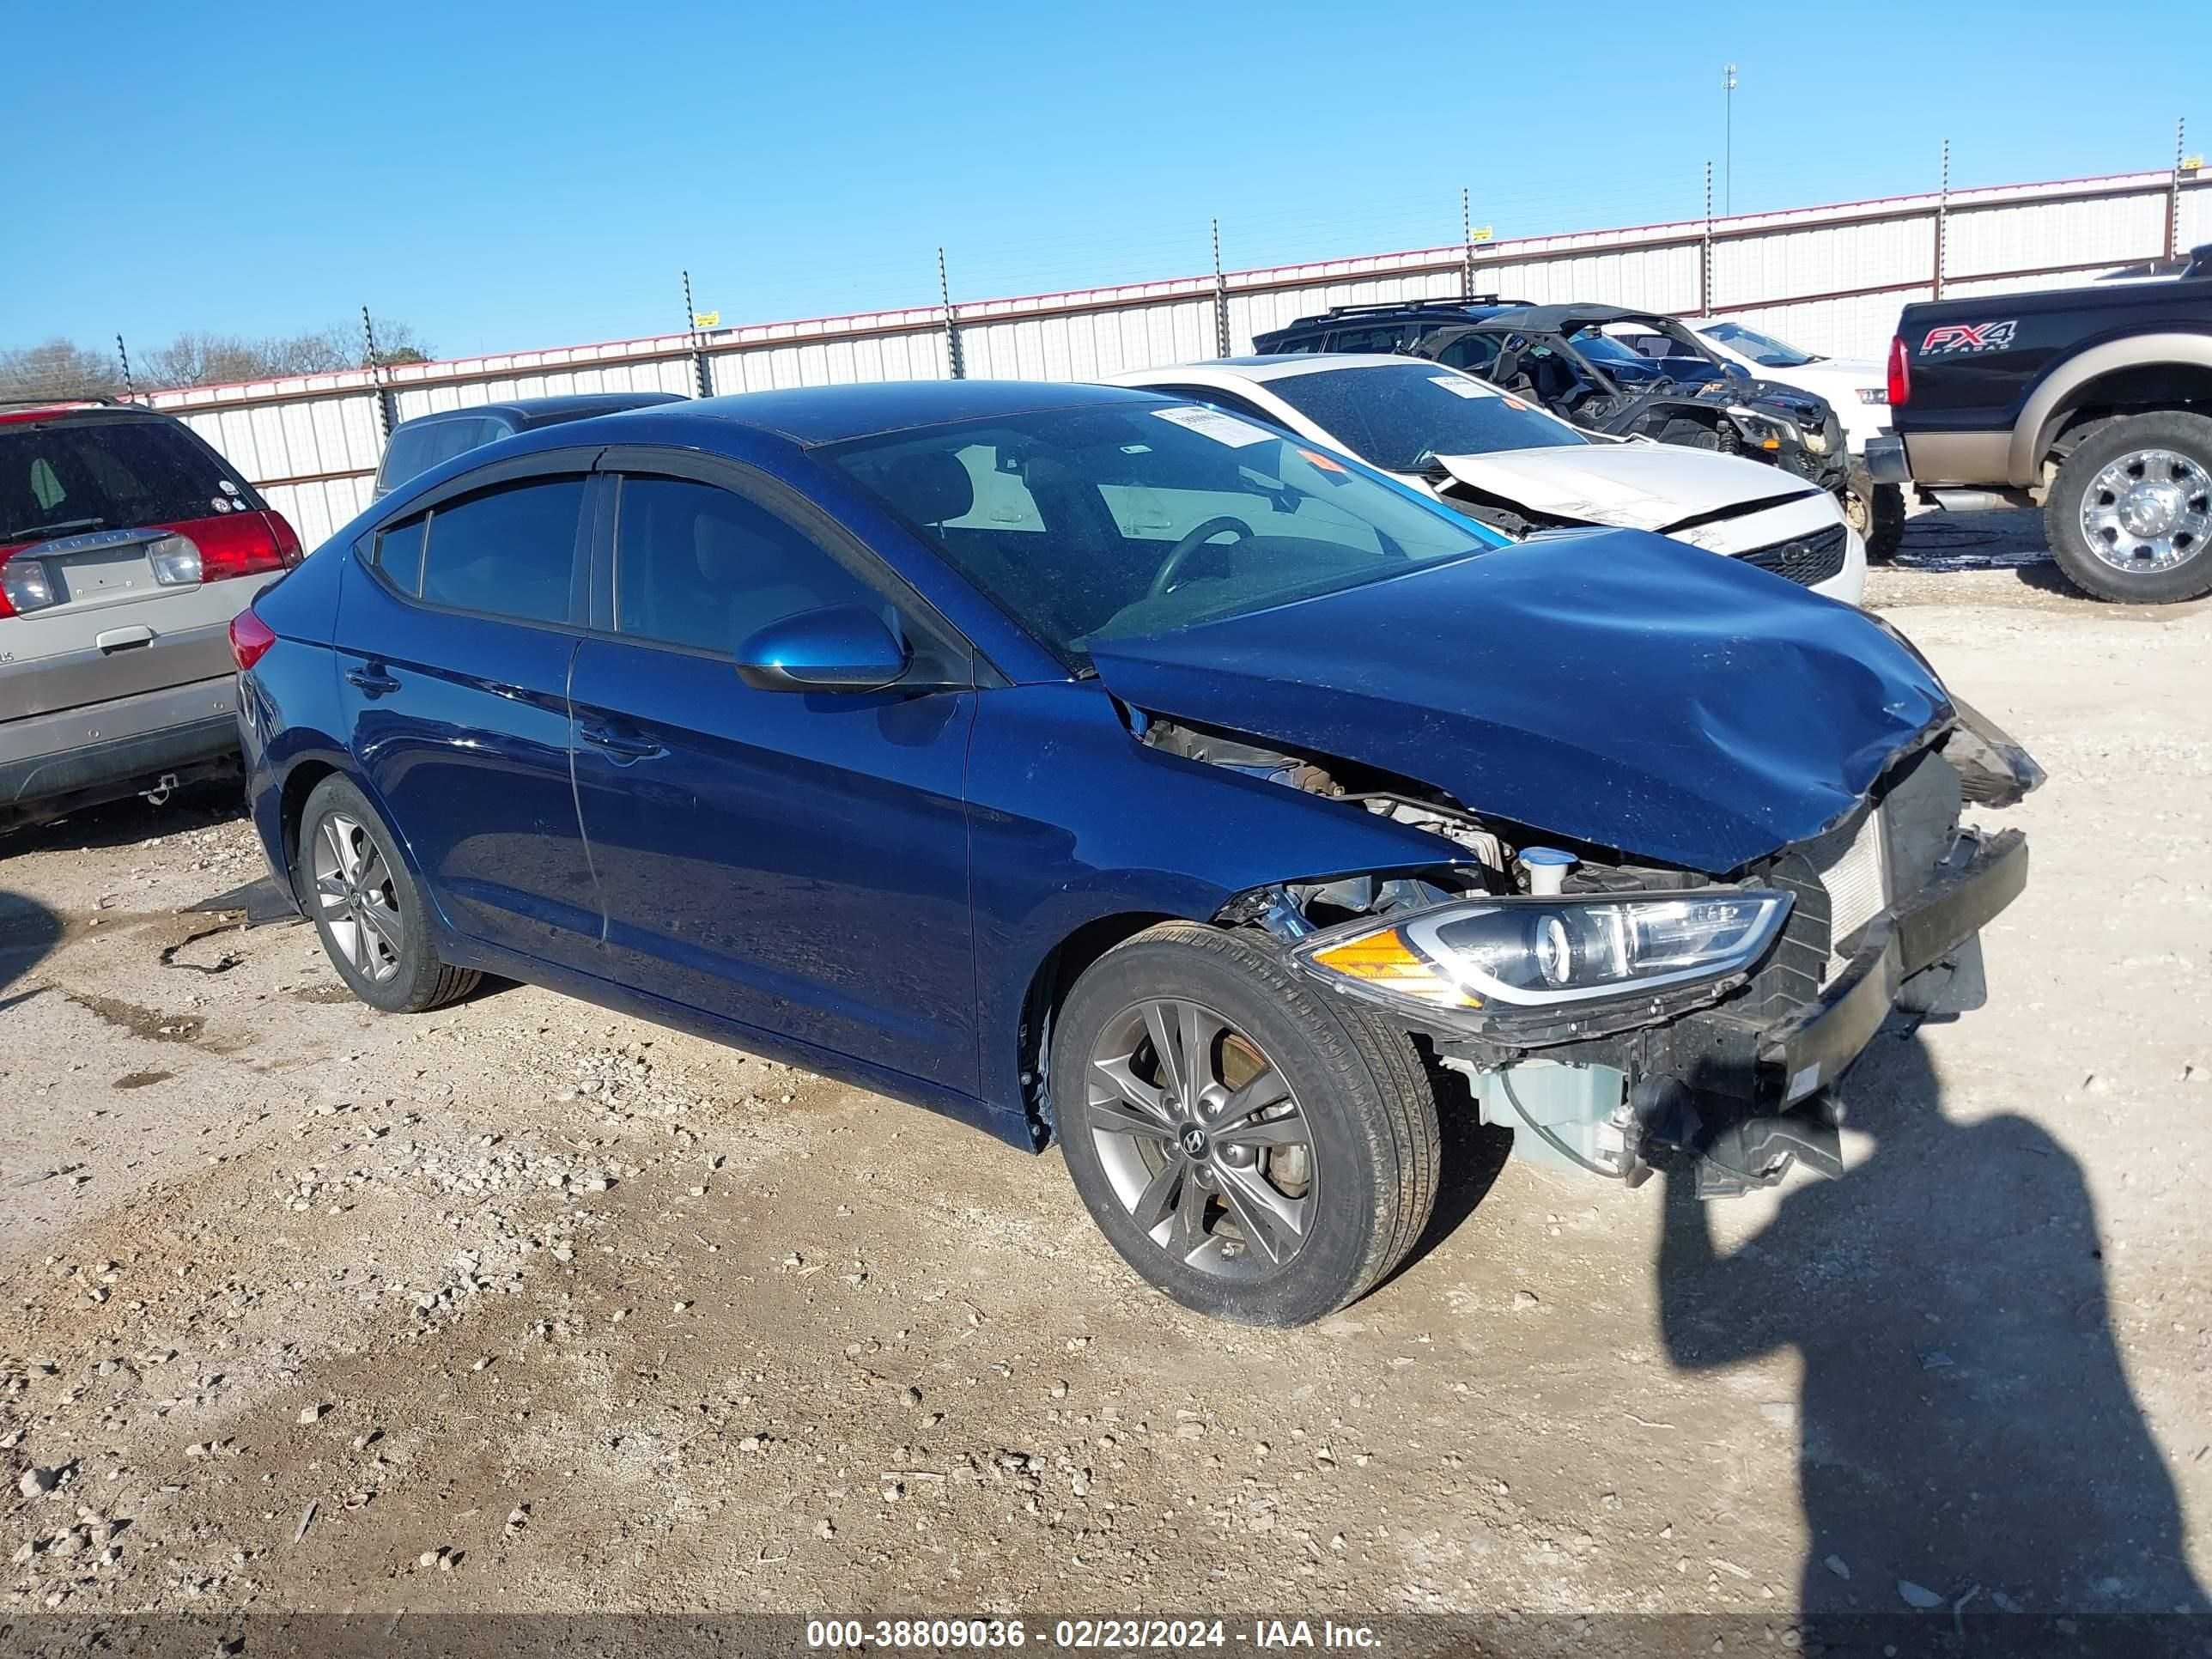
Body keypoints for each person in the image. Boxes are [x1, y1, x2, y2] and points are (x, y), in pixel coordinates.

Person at [1656, 1030, 2206, 1652]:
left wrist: (1682, 1170)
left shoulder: (1829, 1203)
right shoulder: (2023, 1144)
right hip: (2144, 1518)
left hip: (1872, 1534)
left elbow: (1689, 1345)